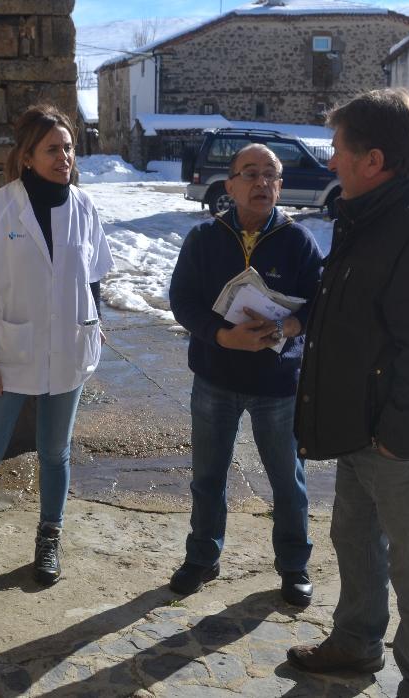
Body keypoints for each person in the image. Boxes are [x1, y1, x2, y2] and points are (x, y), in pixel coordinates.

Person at [287, 88, 409, 698]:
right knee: (354, 536)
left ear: (374, 160)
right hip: (364, 426)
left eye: (340, 150)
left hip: (407, 439)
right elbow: (361, 314)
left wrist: (396, 440)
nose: (331, 162)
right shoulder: (370, 216)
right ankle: (356, 641)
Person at [0, 104, 114, 587]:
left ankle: (49, 539)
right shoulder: (2, 208)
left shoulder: (83, 206)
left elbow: (93, 274)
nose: (65, 157)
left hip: (70, 348)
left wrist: (93, 319)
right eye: (53, 149)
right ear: (28, 156)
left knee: (54, 452)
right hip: (8, 354)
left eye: (69, 148)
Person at [167, 143, 323, 606]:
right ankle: (202, 556)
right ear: (230, 184)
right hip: (215, 378)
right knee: (208, 477)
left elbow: (320, 305)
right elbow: (183, 301)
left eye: (270, 175)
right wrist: (220, 336)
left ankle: (294, 566)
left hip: (277, 385)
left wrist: (291, 325)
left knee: (286, 480)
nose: (261, 183)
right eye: (249, 174)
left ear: (280, 185)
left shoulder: (299, 242)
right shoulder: (204, 238)